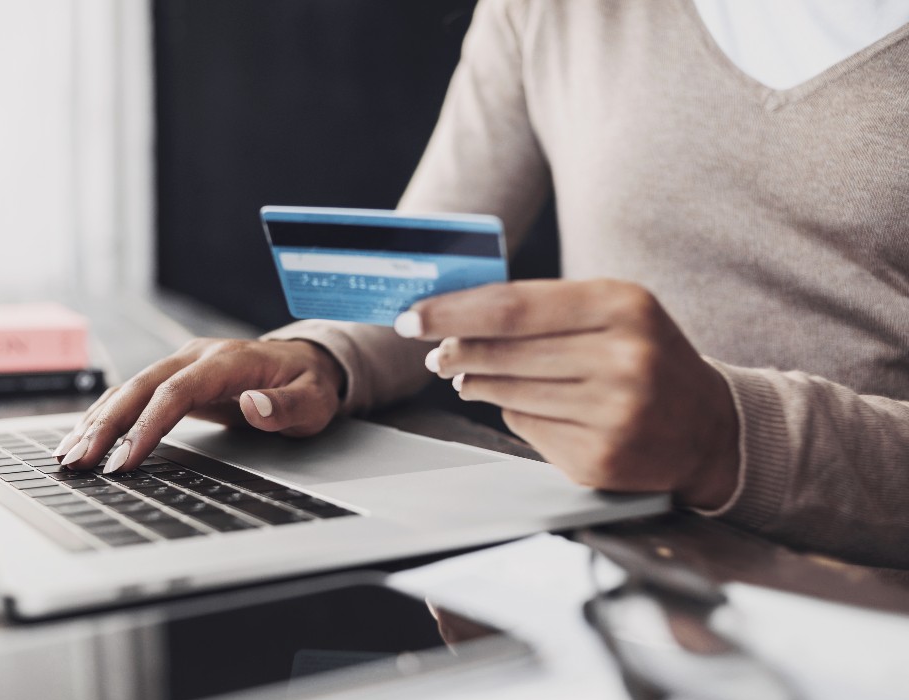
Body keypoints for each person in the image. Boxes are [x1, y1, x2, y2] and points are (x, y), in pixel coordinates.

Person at [58, 0, 909, 568]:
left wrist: (728, 437)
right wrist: (321, 355)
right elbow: (424, 285)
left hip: (859, 610)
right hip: (605, 569)